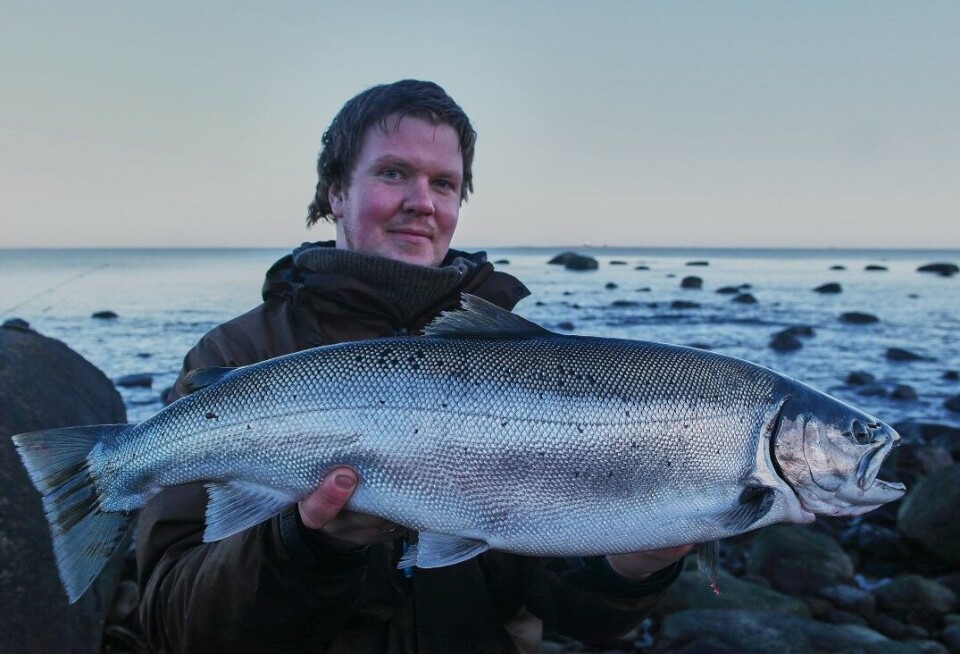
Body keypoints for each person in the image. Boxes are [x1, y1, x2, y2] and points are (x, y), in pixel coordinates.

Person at [136, 79, 692, 653]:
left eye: (444, 183)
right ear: (335, 193)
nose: (422, 202)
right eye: (393, 173)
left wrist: (630, 568)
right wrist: (304, 544)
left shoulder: (518, 363)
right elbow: (173, 625)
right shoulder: (237, 357)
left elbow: (566, 609)